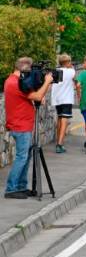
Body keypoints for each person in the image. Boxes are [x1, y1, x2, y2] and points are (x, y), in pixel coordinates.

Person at [4, 57, 54, 199]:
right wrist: (47, 82)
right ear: (25, 69)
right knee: (22, 157)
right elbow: (37, 96)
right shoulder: (17, 83)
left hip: (21, 124)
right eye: (30, 70)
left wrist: (39, 94)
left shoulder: (11, 80)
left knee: (25, 157)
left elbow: (29, 96)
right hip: (21, 125)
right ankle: (11, 188)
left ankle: (20, 186)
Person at [51, 54, 76, 154]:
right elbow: (74, 77)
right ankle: (60, 144)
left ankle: (58, 141)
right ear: (68, 62)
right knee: (64, 121)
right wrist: (71, 67)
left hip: (57, 99)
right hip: (66, 99)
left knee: (60, 119)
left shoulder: (55, 71)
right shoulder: (71, 71)